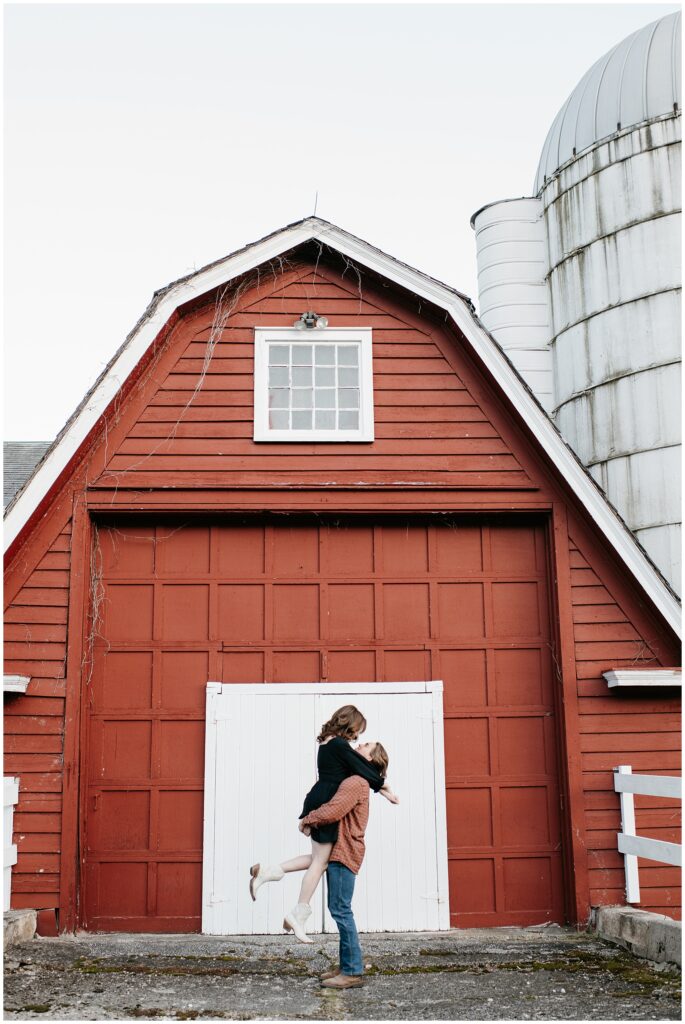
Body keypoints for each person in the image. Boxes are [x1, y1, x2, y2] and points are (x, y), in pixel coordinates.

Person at [249, 705, 398, 942]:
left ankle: (267, 873)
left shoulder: (328, 742)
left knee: (320, 858)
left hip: (318, 796)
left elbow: (360, 766)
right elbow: (361, 766)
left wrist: (381, 786)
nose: (358, 737)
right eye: (358, 730)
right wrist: (383, 787)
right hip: (325, 801)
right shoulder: (339, 745)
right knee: (320, 862)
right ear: (348, 723)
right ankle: (298, 913)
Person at [300, 740, 389, 989]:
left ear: (370, 759)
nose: (359, 744)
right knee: (339, 908)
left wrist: (308, 819)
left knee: (341, 910)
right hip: (342, 850)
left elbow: (333, 811)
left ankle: (352, 971)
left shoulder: (355, 783)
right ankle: (347, 965)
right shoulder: (355, 780)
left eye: (366, 746)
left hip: (345, 850)